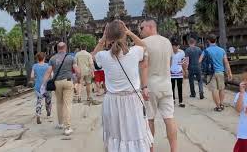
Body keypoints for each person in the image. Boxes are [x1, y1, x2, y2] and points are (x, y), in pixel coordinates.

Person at [93, 20, 153, 152]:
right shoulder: (135, 52)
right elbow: (145, 47)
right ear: (124, 34)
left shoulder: (103, 56)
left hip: (112, 101)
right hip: (132, 99)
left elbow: (92, 56)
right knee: (135, 131)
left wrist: (103, 38)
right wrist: (129, 32)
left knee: (116, 134)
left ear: (108, 36)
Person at [140, 19, 177, 152]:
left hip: (151, 85)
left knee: (149, 118)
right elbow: (171, 61)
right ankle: (174, 149)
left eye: (142, 28)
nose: (140, 31)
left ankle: (151, 149)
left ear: (150, 27)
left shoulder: (143, 43)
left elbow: (143, 65)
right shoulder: (167, 41)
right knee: (169, 117)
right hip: (166, 84)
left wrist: (143, 86)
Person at [42, 42, 80, 136]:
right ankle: (67, 128)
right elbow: (77, 70)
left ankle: (60, 123)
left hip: (57, 83)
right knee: (67, 104)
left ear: (57, 48)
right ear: (65, 48)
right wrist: (78, 79)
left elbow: (48, 72)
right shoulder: (71, 58)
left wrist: (43, 84)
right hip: (68, 81)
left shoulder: (52, 58)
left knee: (59, 103)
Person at [199, 34, 232, 112]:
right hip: (220, 72)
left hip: (211, 73)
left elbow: (199, 61)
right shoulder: (222, 50)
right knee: (221, 88)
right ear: (216, 40)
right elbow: (226, 62)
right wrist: (229, 73)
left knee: (214, 90)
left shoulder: (206, 51)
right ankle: (221, 104)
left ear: (208, 41)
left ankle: (218, 107)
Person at [30, 52, 51, 124]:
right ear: (44, 58)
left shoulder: (34, 66)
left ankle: (38, 114)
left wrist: (35, 80)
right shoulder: (48, 65)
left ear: (37, 59)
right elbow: (51, 75)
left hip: (38, 86)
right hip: (46, 86)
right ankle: (48, 111)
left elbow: (32, 76)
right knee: (48, 100)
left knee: (39, 100)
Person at [233, 68, 247, 152]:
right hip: (244, 133)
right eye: (244, 79)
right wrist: (241, 93)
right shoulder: (240, 95)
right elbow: (238, 109)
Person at [170, 39, 186, 108]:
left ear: (178, 46)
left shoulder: (182, 52)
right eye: (173, 46)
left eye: (175, 46)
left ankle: (181, 101)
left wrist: (185, 70)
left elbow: (183, 62)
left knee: (180, 87)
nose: (174, 48)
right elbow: (168, 62)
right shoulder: (170, 52)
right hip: (171, 72)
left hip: (179, 72)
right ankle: (172, 99)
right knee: (172, 87)